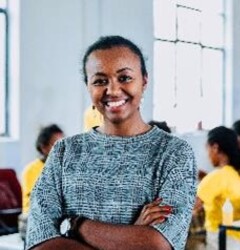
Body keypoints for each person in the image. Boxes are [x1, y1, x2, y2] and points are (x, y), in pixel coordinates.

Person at [25, 35, 197, 250]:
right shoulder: (64, 152)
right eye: (100, 81)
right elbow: (39, 243)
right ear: (88, 86)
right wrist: (133, 235)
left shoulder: (174, 153)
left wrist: (75, 225)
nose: (113, 90)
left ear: (144, 80)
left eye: (124, 78)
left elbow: (157, 245)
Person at [197, 126, 240, 250]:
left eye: (207, 149)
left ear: (215, 148)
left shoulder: (216, 177)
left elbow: (190, 208)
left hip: (220, 240)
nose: (208, 155)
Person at [22, 124, 64, 213]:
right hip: (33, 217)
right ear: (44, 147)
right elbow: (37, 201)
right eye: (57, 144)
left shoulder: (64, 167)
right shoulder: (31, 170)